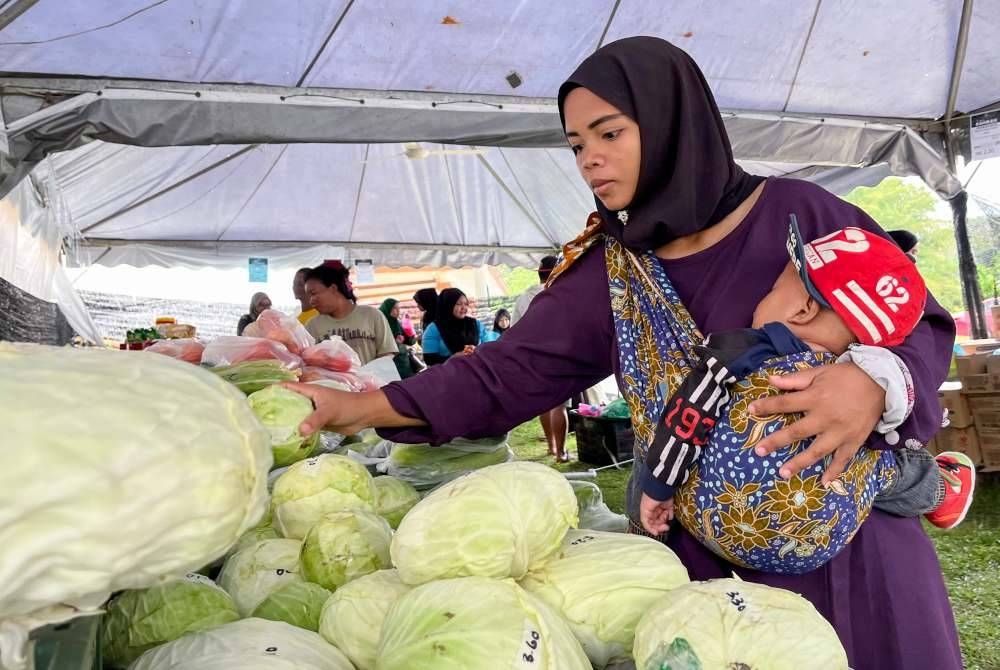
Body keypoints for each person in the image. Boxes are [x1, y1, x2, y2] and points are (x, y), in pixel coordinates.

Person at [284, 37, 961, 670]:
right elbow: (508, 371)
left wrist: (871, 384)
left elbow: (916, 318)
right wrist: (359, 406)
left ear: (675, 124)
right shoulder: (611, 271)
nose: (590, 160)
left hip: (854, 549)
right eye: (577, 144)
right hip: (715, 571)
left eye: (610, 133)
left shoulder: (799, 215)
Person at [638, 221, 975, 570]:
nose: (763, 297)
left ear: (801, 311)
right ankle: (940, 489)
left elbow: (688, 417)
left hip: (729, 530)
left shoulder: (745, 351)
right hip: (823, 539)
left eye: (773, 289)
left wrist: (658, 486)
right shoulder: (867, 383)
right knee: (881, 460)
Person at [512, 256, 570, 461]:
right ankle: (561, 452)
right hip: (560, 355)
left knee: (545, 404)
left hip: (533, 358)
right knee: (559, 405)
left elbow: (514, 330)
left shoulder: (523, 298)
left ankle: (551, 446)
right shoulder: (561, 295)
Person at [303, 262, 397, 365]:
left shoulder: (371, 315)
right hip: (332, 381)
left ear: (333, 288)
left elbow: (387, 353)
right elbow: (308, 362)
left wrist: (370, 375)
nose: (311, 301)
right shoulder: (312, 325)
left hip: (371, 380)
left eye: (313, 293)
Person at [420, 288, 489, 365]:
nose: (464, 307)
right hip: (449, 374)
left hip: (477, 371)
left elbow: (488, 349)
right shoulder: (433, 329)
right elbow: (429, 359)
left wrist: (477, 351)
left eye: (466, 304)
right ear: (448, 304)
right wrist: (453, 358)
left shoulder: (476, 324)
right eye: (459, 304)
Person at [511, 256, 558, 323]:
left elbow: (513, 328)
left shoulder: (522, 299)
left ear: (539, 273)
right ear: (556, 274)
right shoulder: (561, 296)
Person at [379, 298, 418, 379]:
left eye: (398, 308)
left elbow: (409, 341)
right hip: (390, 365)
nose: (398, 311)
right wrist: (395, 342)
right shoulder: (380, 324)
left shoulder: (396, 323)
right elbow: (380, 345)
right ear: (387, 309)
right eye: (394, 308)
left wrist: (412, 335)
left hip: (403, 362)